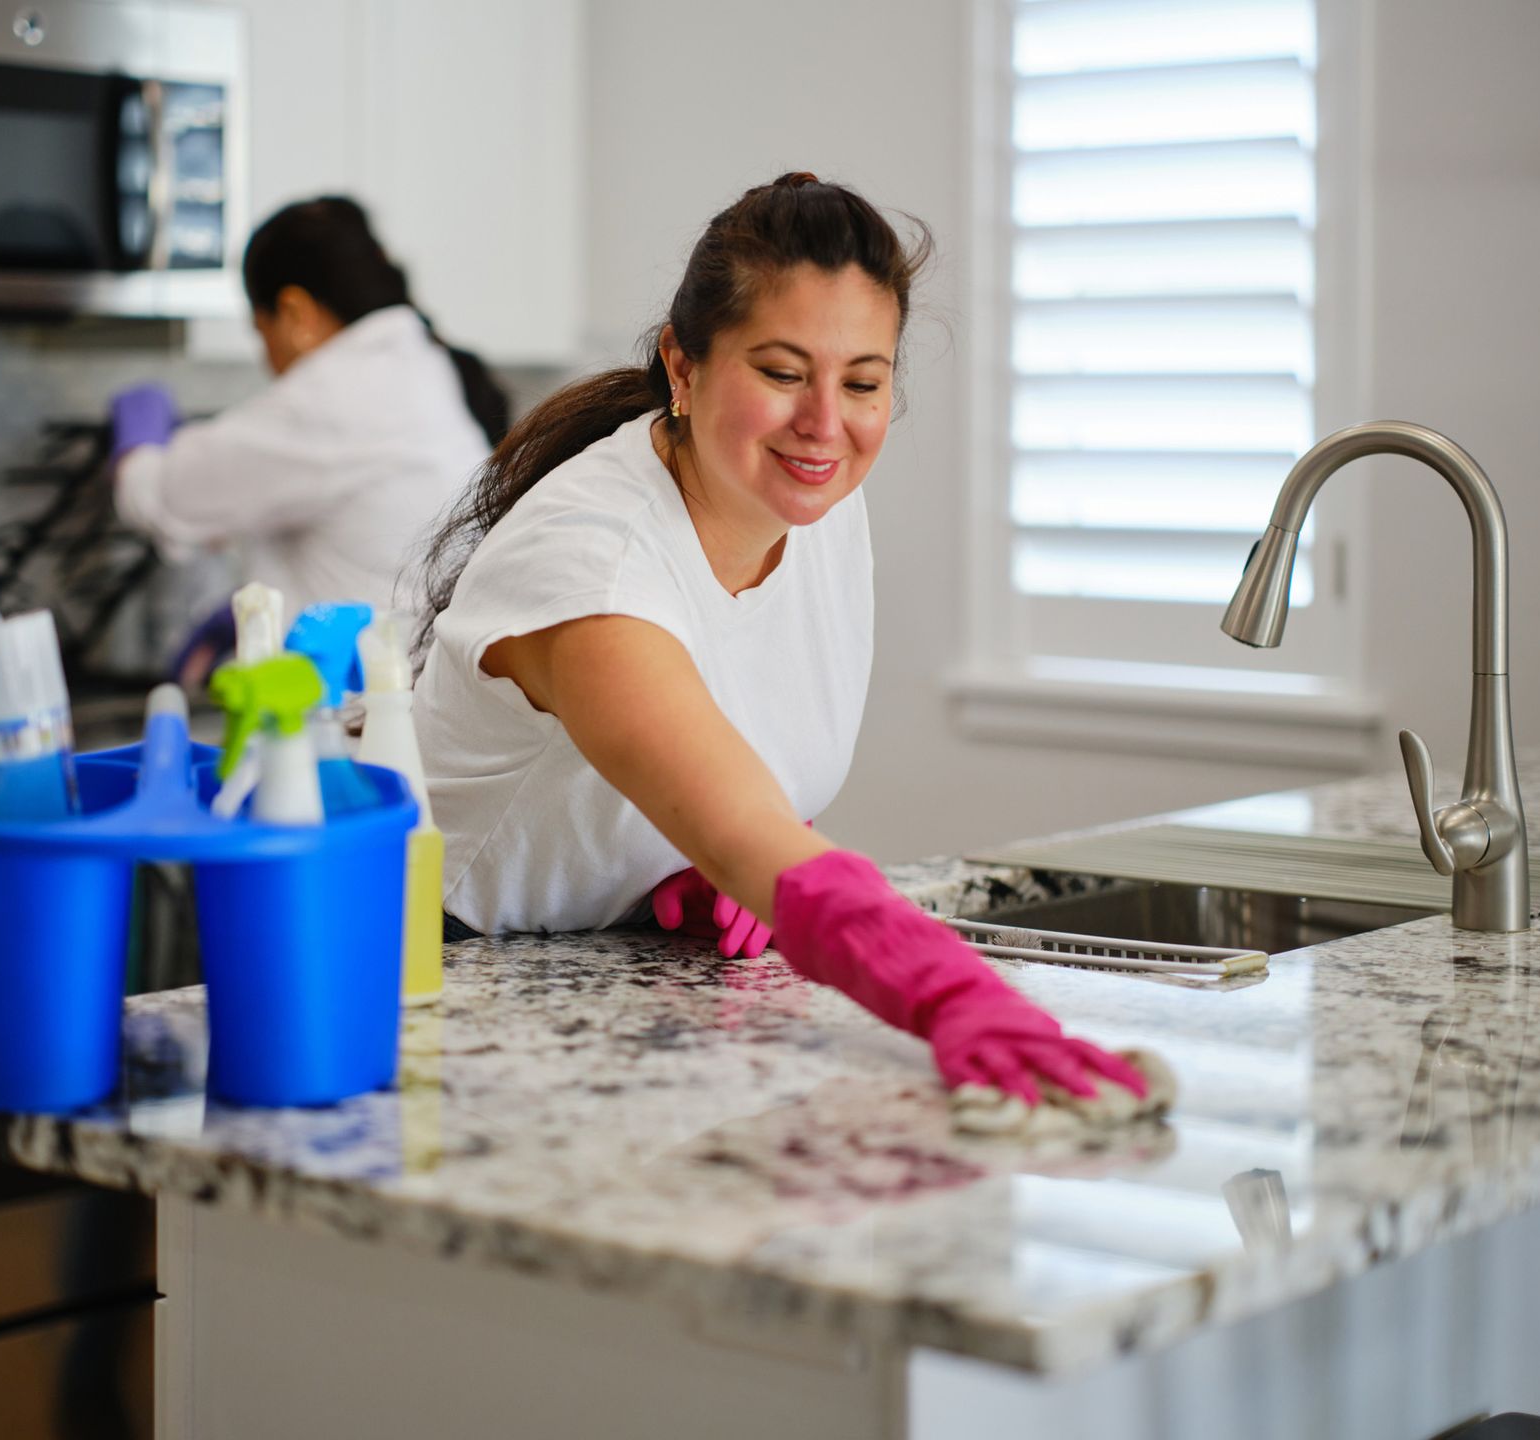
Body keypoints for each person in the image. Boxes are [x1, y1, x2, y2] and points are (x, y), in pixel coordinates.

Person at [412, 173, 1144, 1108]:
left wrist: (652, 868)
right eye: (782, 372)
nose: (825, 424)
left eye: (864, 382)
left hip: (607, 984)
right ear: (683, 367)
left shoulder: (813, 503)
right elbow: (744, 824)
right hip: (436, 995)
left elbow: (733, 785)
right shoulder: (592, 572)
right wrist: (951, 989)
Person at [107, 197, 506, 679]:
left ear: (294, 313)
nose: (266, 356)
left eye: (262, 330)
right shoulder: (418, 366)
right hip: (422, 691)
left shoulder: (333, 398)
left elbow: (160, 496)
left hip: (361, 712)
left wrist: (137, 435)